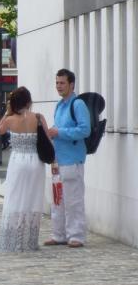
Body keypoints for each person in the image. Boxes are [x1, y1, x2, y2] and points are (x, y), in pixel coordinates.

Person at [0, 87, 50, 252]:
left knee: (15, 197)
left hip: (18, 161)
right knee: (32, 198)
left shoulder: (11, 119)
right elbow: (47, 138)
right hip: (35, 161)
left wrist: (7, 112)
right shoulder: (38, 118)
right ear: (29, 102)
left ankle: (14, 240)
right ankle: (30, 241)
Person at [45, 69, 91, 248]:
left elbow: (84, 130)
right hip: (58, 160)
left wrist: (59, 132)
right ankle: (59, 234)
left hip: (72, 160)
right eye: (57, 83)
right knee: (57, 199)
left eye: (62, 83)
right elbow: (59, 127)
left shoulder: (77, 104)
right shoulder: (59, 105)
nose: (58, 86)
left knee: (74, 200)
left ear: (71, 84)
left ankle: (76, 236)